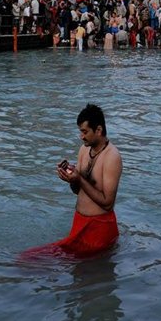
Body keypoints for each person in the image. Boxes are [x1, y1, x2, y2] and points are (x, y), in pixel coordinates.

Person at [22, 104, 122, 259]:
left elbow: (108, 203)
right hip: (80, 224)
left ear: (99, 130)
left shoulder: (112, 157)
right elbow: (78, 190)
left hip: (99, 229)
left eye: (84, 132)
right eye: (80, 131)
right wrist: (70, 178)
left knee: (32, 259)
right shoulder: (84, 150)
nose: (81, 136)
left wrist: (79, 179)